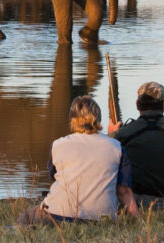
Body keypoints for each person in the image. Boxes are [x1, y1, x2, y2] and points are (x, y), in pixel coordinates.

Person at [18, 95, 138, 225]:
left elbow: (53, 176)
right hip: (102, 220)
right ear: (98, 117)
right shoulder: (116, 146)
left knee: (26, 217)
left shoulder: (58, 144)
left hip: (56, 215)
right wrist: (137, 220)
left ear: (72, 120)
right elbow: (123, 191)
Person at [108, 82, 164, 202]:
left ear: (137, 105)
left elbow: (106, 164)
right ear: (163, 105)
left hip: (134, 202)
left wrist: (110, 135)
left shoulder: (122, 135)